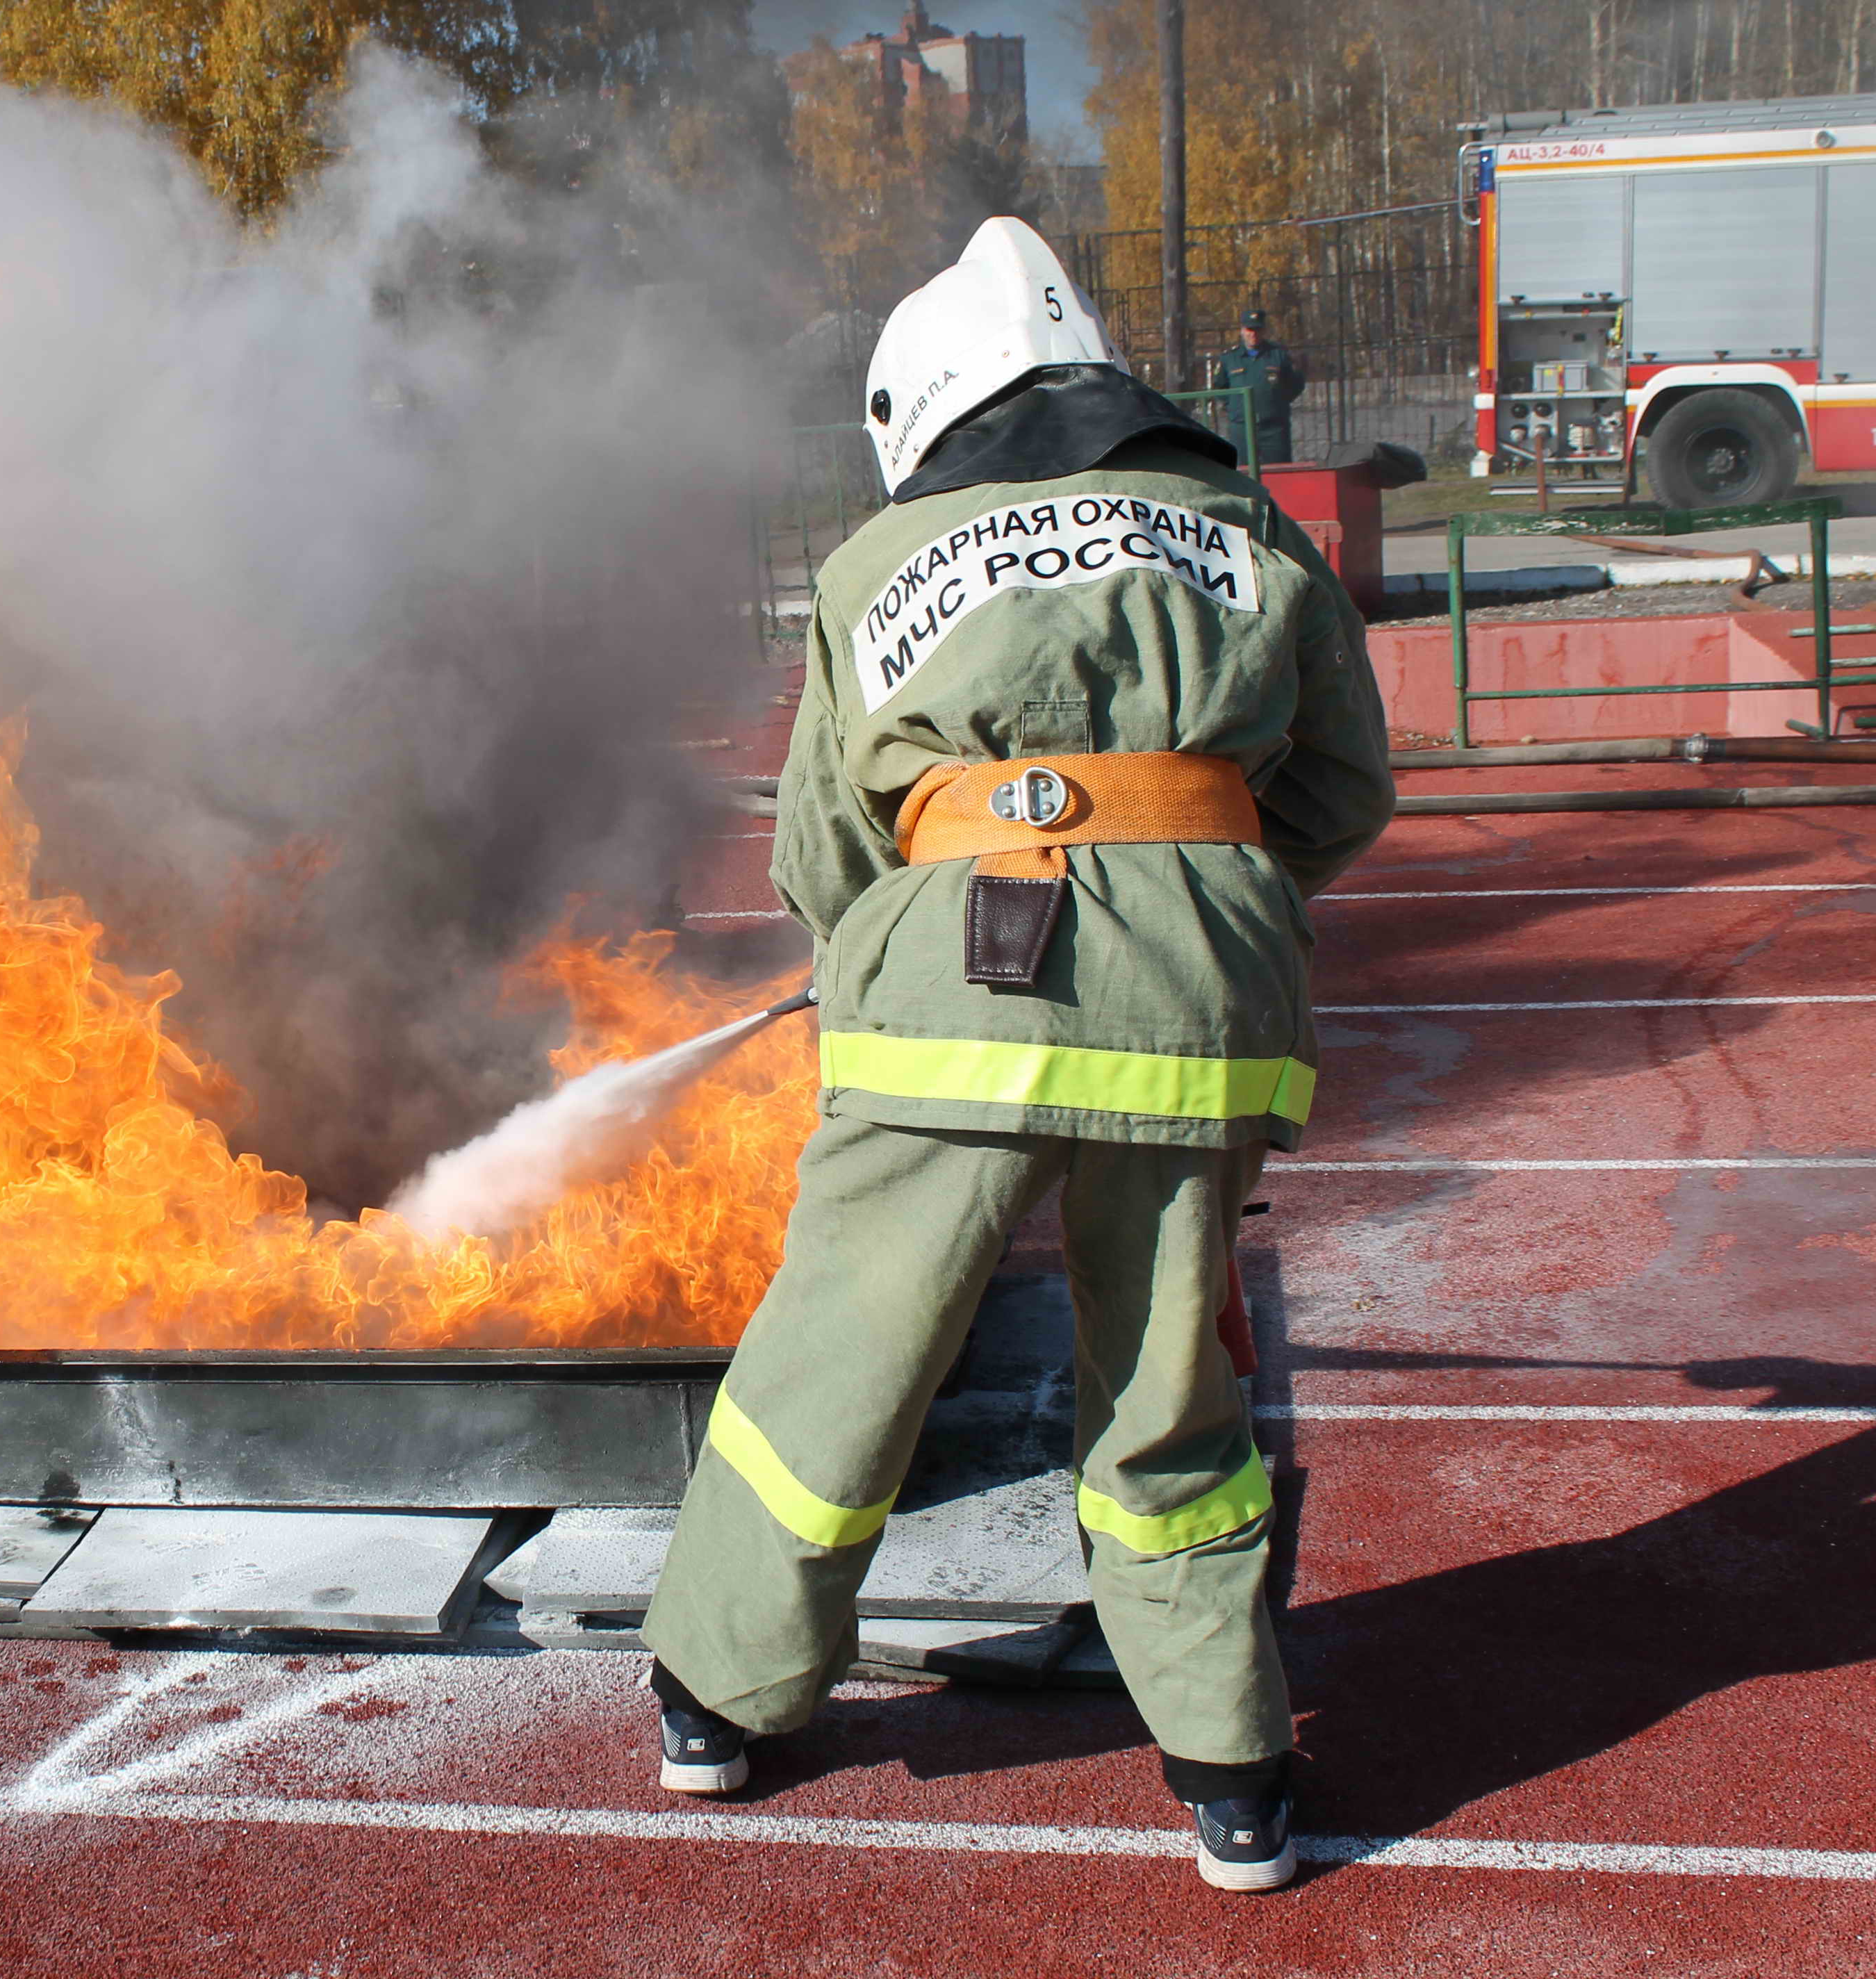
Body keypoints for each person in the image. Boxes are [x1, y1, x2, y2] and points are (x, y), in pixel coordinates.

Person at [638, 218, 1393, 1893]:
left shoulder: (871, 564)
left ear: (917, 411)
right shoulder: (1239, 519)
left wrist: (882, 970)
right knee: (1168, 1378)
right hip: (1209, 1005)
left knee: (844, 1348)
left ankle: (718, 1694)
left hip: (956, 984)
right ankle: (1231, 1770)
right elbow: (1341, 790)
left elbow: (828, 852)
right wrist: (1186, 897)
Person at [1207, 309, 1306, 466]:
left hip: (1274, 428)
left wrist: (1278, 401)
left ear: (1264, 330)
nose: (1253, 334)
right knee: (1243, 477)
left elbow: (1296, 383)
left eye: (1257, 329)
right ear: (1242, 330)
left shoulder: (1278, 355)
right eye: (1249, 329)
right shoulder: (1230, 358)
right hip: (1242, 428)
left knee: (1280, 473)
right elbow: (1220, 388)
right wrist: (1234, 406)